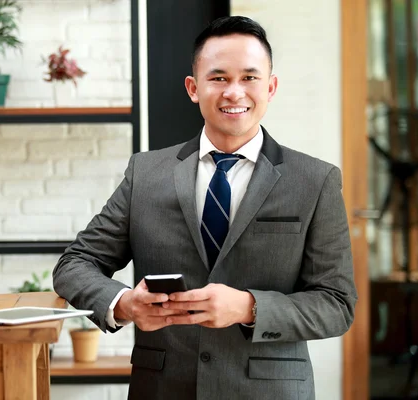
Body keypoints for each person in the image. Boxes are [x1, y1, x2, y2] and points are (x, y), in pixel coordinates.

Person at [53, 15, 357, 400]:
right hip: (162, 387)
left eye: (249, 77)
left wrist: (249, 307)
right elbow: (75, 263)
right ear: (193, 88)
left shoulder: (316, 180)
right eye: (218, 78)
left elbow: (336, 303)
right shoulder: (145, 173)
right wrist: (125, 303)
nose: (234, 92)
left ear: (271, 86)